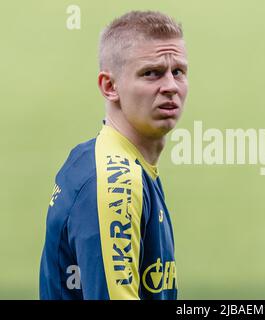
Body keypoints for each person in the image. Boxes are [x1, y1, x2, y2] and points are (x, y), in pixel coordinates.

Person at [39, 10, 188, 300]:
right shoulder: (117, 182)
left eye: (178, 71)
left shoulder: (112, 161)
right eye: (151, 73)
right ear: (110, 86)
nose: (171, 86)